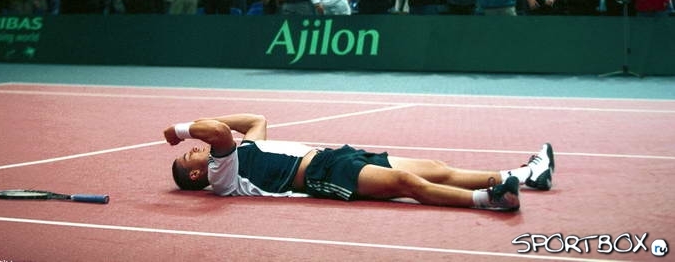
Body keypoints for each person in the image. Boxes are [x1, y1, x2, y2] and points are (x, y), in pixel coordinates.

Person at [164, 113, 555, 212]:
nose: (193, 148)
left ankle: (525, 174)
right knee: (407, 184)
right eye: (188, 154)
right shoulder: (222, 174)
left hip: (336, 155)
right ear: (196, 172)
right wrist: (179, 130)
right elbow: (217, 131)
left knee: (435, 168)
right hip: (321, 175)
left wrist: (193, 130)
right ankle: (491, 200)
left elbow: (255, 121)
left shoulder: (244, 151)